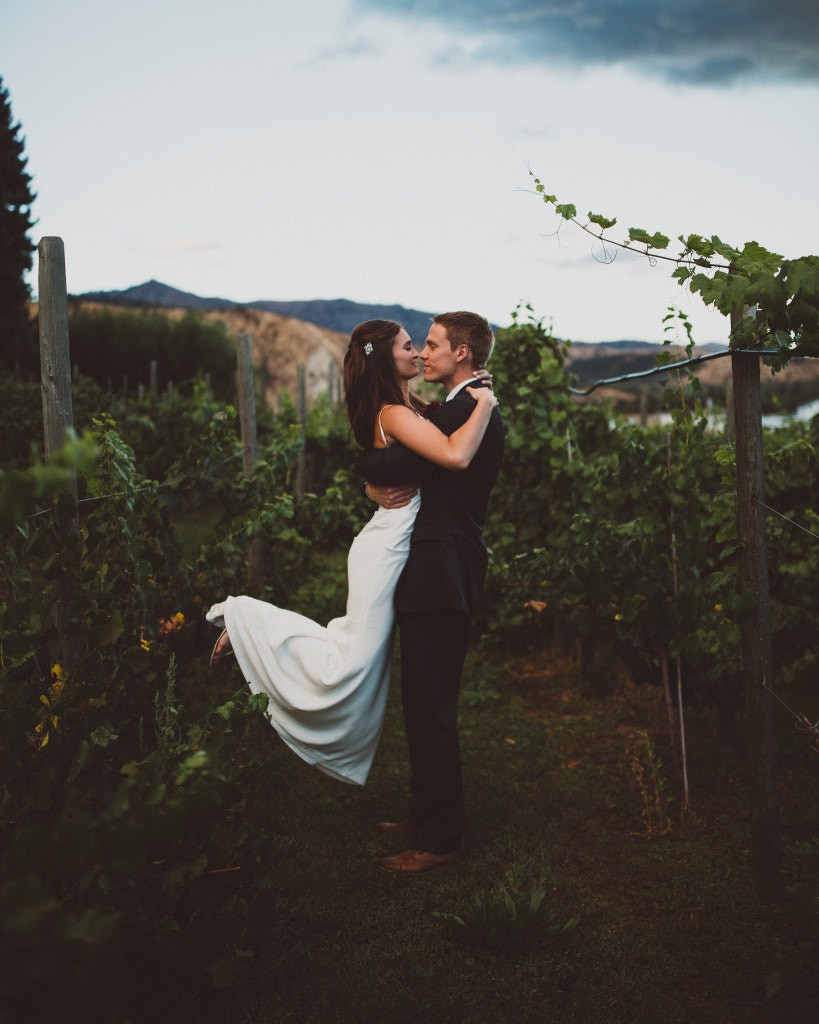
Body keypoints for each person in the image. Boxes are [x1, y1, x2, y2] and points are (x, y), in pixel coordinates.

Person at [206, 319, 497, 787]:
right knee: (348, 656)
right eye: (410, 347)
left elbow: (400, 458)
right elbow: (444, 454)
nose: (419, 354)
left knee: (353, 653)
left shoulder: (413, 407)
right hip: (385, 547)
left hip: (397, 543)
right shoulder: (397, 412)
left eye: (424, 345)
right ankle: (246, 627)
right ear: (387, 359)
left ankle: (251, 636)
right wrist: (484, 403)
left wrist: (370, 481)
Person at [355, 311, 505, 873]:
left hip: (442, 571)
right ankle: (426, 814)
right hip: (434, 568)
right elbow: (398, 460)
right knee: (421, 703)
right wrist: (372, 477)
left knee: (432, 707)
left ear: (462, 354)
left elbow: (406, 457)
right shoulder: (454, 408)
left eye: (434, 344)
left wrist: (368, 470)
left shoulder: (470, 407)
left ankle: (440, 840)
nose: (424, 353)